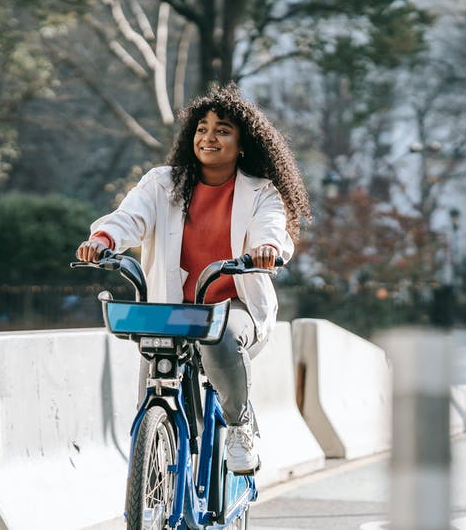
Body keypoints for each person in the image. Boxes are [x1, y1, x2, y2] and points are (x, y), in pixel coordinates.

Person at [77, 82, 310, 474]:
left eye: (222, 130)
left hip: (230, 304)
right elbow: (129, 217)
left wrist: (267, 249)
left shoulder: (260, 192)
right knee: (154, 383)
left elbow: (272, 228)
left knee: (221, 338)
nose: (209, 136)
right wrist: (103, 239)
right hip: (171, 306)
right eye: (202, 128)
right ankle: (156, 460)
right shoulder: (162, 183)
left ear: (242, 143)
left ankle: (239, 425)